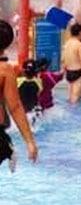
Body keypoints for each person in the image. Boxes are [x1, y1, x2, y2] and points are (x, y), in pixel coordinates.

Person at [0, 20, 38, 172]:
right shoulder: (5, 70)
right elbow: (15, 107)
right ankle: (8, 149)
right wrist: (30, 141)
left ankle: (7, 149)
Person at [63, 23, 81, 103]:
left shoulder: (66, 44)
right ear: (80, 33)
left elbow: (63, 60)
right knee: (76, 100)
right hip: (78, 73)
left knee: (70, 99)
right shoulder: (80, 45)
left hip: (68, 72)